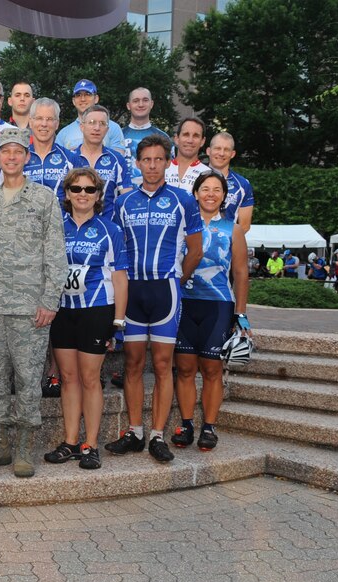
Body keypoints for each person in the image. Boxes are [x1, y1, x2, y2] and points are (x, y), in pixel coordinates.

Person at [0, 127, 66, 478]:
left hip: (31, 309)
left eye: (18, 152)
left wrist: (49, 300)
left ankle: (25, 448)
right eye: (5, 152)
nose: (11, 157)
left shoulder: (44, 199)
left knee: (28, 379)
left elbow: (55, 254)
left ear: (27, 157)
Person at [107, 134, 203, 463]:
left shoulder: (183, 200)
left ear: (167, 162)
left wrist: (179, 277)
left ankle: (158, 434)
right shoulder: (123, 202)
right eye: (146, 160)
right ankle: (135, 431)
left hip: (165, 290)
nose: (151, 165)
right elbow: (114, 250)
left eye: (158, 159)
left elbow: (196, 249)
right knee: (132, 364)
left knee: (163, 365)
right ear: (137, 163)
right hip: (132, 291)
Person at [43, 167, 128, 470]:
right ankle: (70, 441)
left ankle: (90, 443)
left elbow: (120, 278)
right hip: (63, 310)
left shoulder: (110, 230)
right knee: (68, 378)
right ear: (66, 194)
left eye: (89, 190)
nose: (82, 195)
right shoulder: (56, 226)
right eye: (76, 189)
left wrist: (118, 322)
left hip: (97, 309)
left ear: (98, 195)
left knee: (90, 378)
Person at [170, 171, 250, 452]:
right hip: (184, 303)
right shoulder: (181, 226)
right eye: (205, 188)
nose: (211, 194)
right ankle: (187, 423)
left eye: (217, 189)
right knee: (185, 368)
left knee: (213, 368)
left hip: (218, 305)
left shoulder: (233, 229)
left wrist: (241, 314)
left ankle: (209, 427)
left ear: (224, 196)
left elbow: (240, 273)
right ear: (195, 193)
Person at [23, 97, 84, 396]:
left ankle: (56, 372)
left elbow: (85, 200)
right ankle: (29, 370)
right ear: (30, 122)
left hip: (65, 243)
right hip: (26, 244)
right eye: (39, 119)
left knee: (60, 306)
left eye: (50, 119)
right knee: (33, 306)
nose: (44, 124)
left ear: (58, 124)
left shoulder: (72, 159)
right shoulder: (20, 156)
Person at [74, 105, 133, 220]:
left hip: (108, 229)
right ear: (82, 126)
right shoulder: (70, 158)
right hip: (75, 230)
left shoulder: (117, 159)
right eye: (92, 122)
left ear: (107, 129)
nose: (97, 128)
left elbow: (127, 198)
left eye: (102, 123)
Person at [55, 79, 125, 154]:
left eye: (88, 94)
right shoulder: (64, 133)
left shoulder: (113, 128)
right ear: (73, 101)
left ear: (96, 98)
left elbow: (118, 159)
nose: (83, 99)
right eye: (78, 95)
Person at [122, 88, 171, 187]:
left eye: (145, 100)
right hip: (123, 195)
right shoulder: (118, 135)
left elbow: (170, 171)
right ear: (128, 105)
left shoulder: (163, 137)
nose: (141, 104)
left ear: (151, 104)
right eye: (136, 101)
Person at [206, 132, 254, 233]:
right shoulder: (194, 177)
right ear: (208, 151)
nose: (221, 153)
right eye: (217, 148)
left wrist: (222, 240)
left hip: (224, 246)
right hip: (194, 245)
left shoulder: (243, 184)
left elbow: (244, 226)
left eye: (226, 150)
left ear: (232, 154)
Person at [165, 118, 210, 194]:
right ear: (177, 138)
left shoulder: (208, 174)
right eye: (186, 135)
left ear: (202, 141)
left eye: (196, 136)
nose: (190, 140)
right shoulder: (160, 169)